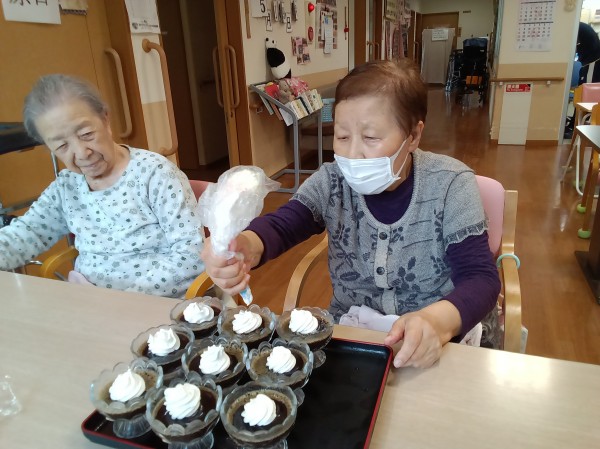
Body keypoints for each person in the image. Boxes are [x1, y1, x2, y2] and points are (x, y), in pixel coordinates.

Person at [201, 59, 501, 368]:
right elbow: (283, 225)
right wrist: (247, 245)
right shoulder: (332, 181)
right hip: (356, 333)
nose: (352, 153)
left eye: (371, 138)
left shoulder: (450, 184)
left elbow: (480, 278)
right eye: (342, 136)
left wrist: (436, 321)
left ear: (413, 136)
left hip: (436, 338)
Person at [0, 74, 204, 298]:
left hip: (155, 301)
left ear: (105, 119)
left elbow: (191, 254)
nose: (82, 153)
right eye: (62, 146)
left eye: (86, 134)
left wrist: (121, 300)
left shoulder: (155, 173)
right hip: (90, 300)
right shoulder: (66, 186)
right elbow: (27, 233)